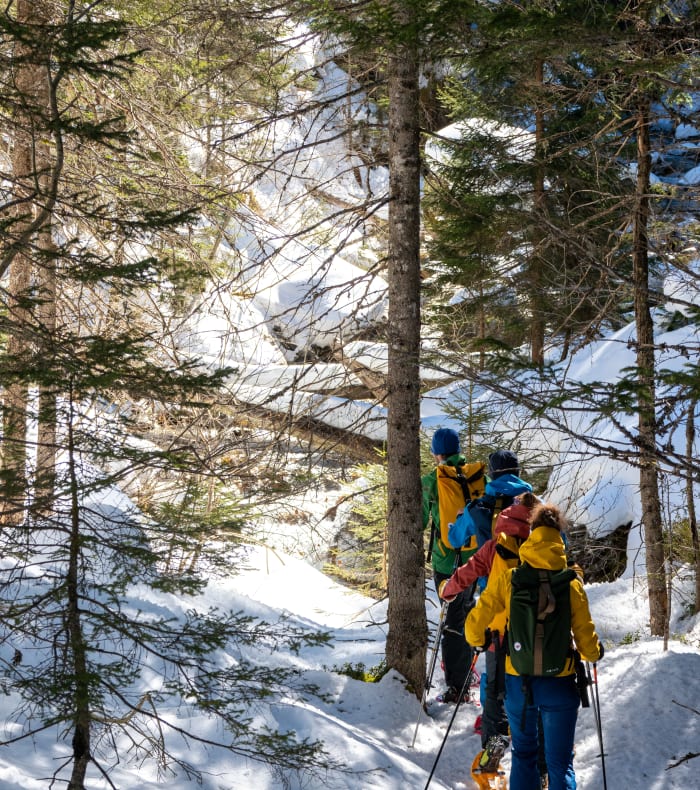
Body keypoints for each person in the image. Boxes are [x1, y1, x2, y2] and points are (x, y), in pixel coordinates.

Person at [465, 502, 604, 790]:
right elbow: (586, 639)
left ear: (532, 537)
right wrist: (594, 653)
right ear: (559, 539)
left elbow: (474, 624)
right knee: (560, 762)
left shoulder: (510, 578)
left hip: (519, 682)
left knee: (524, 754)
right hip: (560, 684)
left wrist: (478, 641)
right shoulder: (571, 583)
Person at [440, 492, 537, 753]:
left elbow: (467, 573)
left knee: (496, 690)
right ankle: (539, 750)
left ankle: (494, 744)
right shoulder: (544, 544)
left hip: (499, 632)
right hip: (537, 634)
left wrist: (447, 590)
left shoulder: (495, 547)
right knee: (534, 689)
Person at [422, 427, 479, 703]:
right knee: (467, 614)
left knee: (452, 621)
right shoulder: (475, 475)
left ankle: (458, 687)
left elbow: (420, 520)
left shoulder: (433, 481)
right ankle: (466, 671)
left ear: (437, 454)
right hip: (477, 560)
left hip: (446, 562)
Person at [449, 450, 532, 567]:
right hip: (535, 582)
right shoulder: (539, 506)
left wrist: (460, 518)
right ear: (518, 472)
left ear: (492, 474)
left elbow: (454, 539)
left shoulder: (477, 508)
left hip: (492, 581)